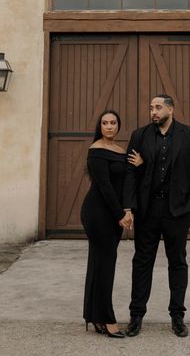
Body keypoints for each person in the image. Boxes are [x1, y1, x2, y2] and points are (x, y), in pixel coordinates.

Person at [122, 94, 190, 338]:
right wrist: (129, 207)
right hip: (148, 210)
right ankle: (136, 316)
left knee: (177, 262)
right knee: (142, 262)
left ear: (171, 109)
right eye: (151, 108)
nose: (153, 112)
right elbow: (130, 173)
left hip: (178, 212)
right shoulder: (140, 135)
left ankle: (177, 316)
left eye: (158, 107)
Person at [80, 110, 142, 338]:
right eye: (105, 123)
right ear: (99, 126)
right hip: (97, 214)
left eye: (113, 122)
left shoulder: (120, 150)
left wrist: (139, 164)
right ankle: (106, 319)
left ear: (118, 125)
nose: (109, 126)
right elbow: (105, 186)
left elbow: (127, 179)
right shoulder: (96, 150)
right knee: (105, 264)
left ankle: (94, 316)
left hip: (113, 214)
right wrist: (120, 214)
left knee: (100, 263)